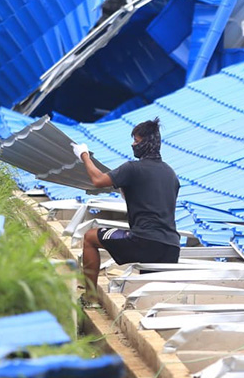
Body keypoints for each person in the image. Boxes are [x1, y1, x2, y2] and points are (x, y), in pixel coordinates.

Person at [72, 118, 180, 301]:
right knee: (153, 295)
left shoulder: (133, 168)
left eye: (136, 141)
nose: (133, 144)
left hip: (144, 241)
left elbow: (98, 180)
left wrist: (84, 156)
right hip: (171, 246)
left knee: (90, 237)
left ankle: (90, 297)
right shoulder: (170, 173)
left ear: (145, 144)